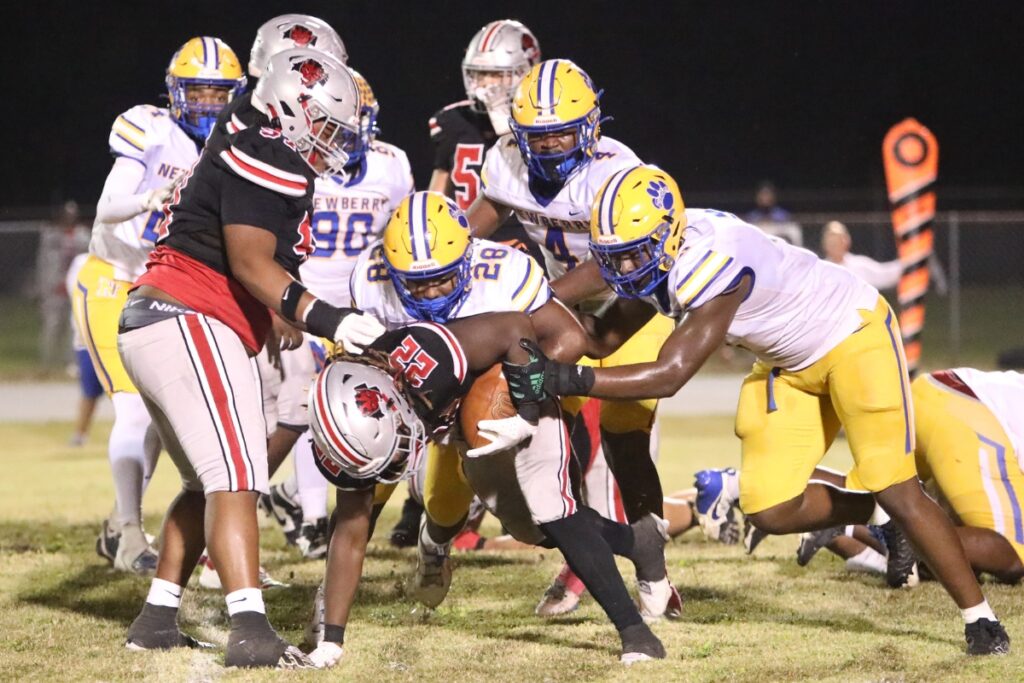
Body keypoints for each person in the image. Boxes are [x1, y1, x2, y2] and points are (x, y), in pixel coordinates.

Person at [523, 164, 1010, 655]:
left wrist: (565, 378)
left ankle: (980, 619)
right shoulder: (654, 246)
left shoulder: (711, 261)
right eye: (614, 258)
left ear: (667, 237)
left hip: (851, 335)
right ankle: (879, 517)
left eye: (632, 256)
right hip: (788, 363)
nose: (623, 269)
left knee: (897, 485)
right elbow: (602, 334)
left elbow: (670, 374)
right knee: (770, 508)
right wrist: (523, 314)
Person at [117, 48, 381, 668]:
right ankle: (250, 629)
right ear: (290, 109)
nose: (332, 138)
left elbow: (259, 270)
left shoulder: (250, 132)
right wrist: (332, 317)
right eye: (325, 123)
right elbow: (249, 262)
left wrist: (283, 315)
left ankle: (156, 617)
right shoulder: (267, 149)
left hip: (166, 318)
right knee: (239, 475)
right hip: (188, 317)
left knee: (203, 480)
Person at [305, 309, 668, 668]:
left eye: (397, 441)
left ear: (393, 398)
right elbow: (350, 537)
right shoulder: (350, 436)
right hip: (465, 425)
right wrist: (332, 642)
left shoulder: (433, 358)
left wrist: (526, 410)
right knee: (530, 529)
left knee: (554, 512)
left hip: (511, 391)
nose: (397, 459)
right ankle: (637, 542)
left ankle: (635, 633)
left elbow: (513, 327)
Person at [466, 58, 677, 614]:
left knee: (623, 437)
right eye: (540, 133)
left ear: (591, 124)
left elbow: (613, 262)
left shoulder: (615, 169)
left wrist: (540, 293)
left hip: (628, 301)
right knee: (554, 436)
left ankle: (653, 574)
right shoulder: (508, 162)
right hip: (559, 310)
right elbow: (484, 214)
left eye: (564, 128)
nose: (554, 143)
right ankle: (585, 555)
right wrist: (445, 254)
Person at [73, 37, 246, 575]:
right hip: (115, 278)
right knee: (131, 409)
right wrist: (148, 198)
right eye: (198, 92)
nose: (209, 106)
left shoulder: (236, 143)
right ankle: (127, 534)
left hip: (169, 287)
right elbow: (106, 209)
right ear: (176, 91)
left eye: (220, 95)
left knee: (160, 418)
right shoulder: (150, 129)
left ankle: (123, 525)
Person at [386, 18, 544, 548]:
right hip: (458, 260)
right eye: (478, 75)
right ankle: (421, 502)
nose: (486, 87)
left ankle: (511, 494)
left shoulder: (538, 124)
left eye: (498, 76)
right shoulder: (450, 123)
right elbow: (438, 191)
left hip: (518, 256)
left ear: (525, 74)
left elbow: (534, 184)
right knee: (431, 376)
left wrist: (509, 128)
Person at [797, 368, 1024, 590]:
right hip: (969, 414)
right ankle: (885, 533)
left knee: (870, 493)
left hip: (930, 393)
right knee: (1014, 553)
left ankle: (828, 513)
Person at [38, 201, 89, 368]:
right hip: (55, 289)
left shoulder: (83, 235)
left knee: (74, 326)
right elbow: (44, 264)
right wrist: (48, 285)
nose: (70, 219)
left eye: (72, 216)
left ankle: (72, 363)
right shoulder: (51, 235)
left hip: (76, 286)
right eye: (67, 215)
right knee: (53, 325)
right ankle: (48, 362)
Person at [820, 220, 902, 290]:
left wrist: (909, 259)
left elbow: (885, 275)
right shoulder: (820, 271)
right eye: (832, 242)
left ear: (847, 241)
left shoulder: (859, 266)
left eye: (839, 241)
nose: (836, 245)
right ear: (825, 245)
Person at [744, 180, 802, 246]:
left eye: (767, 194)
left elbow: (788, 227)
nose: (765, 198)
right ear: (757, 197)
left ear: (773, 197)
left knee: (793, 229)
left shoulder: (781, 213)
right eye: (762, 195)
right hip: (758, 243)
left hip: (776, 241)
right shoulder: (752, 215)